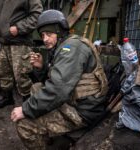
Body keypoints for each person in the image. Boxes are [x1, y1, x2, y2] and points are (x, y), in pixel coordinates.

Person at [11, 10, 109, 150]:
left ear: (60, 32)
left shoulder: (71, 48)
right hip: (76, 101)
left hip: (83, 110)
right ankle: (46, 133)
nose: (45, 39)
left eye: (49, 34)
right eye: (43, 35)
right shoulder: (64, 46)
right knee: (36, 88)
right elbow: (53, 81)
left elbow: (58, 89)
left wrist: (26, 110)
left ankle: (41, 134)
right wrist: (41, 67)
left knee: (25, 124)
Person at [0, 0, 43, 109]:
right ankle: (7, 97)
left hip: (20, 42)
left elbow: (37, 15)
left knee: (22, 74)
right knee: (3, 72)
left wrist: (19, 28)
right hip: (3, 42)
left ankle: (28, 102)